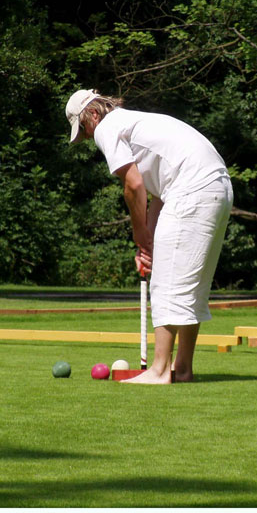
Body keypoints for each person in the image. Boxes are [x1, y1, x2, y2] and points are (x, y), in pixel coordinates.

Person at [65, 89, 233, 384]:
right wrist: (148, 246)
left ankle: (157, 371)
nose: (89, 137)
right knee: (189, 284)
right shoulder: (139, 123)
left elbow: (133, 184)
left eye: (85, 129)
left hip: (192, 189)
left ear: (92, 114)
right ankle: (181, 370)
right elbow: (158, 195)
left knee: (167, 282)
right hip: (217, 188)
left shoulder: (108, 126)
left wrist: (139, 233)